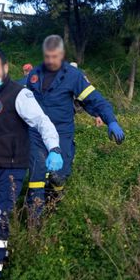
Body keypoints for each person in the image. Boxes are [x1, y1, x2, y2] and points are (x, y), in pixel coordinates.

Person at [0, 49, 62, 280]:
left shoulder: (19, 94)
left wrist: (54, 149)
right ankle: (2, 251)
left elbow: (42, 122)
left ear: (6, 67)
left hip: (11, 168)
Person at [25, 35, 125, 220]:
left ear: (61, 55)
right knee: (36, 174)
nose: (50, 61)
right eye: (47, 57)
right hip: (37, 133)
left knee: (59, 174)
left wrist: (110, 120)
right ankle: (35, 221)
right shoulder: (34, 75)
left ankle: (53, 201)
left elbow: (95, 100)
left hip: (61, 132)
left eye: (54, 57)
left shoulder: (73, 76)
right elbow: (17, 96)